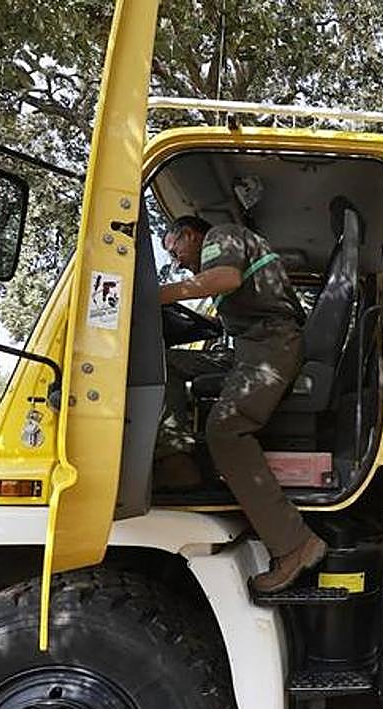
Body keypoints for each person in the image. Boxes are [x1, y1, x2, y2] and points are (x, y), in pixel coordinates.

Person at [157, 214, 326, 593]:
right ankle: (177, 462)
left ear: (190, 234)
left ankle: (294, 544)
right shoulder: (218, 254)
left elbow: (227, 279)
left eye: (174, 248)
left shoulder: (221, 236)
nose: (176, 260)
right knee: (167, 362)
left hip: (272, 345)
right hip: (247, 348)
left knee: (226, 430)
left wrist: (153, 295)